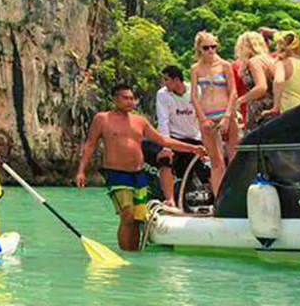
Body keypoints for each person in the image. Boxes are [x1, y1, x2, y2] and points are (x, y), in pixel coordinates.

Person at [76, 83, 205, 251]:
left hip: (139, 175)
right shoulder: (102, 119)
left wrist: (192, 148)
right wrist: (81, 171)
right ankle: (124, 254)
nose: (130, 102)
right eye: (125, 98)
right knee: (127, 215)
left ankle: (134, 254)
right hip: (116, 174)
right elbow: (90, 145)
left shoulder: (139, 121)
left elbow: (163, 140)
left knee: (138, 218)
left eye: (132, 98)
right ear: (115, 99)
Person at [190, 31, 238, 196]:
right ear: (199, 49)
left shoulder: (225, 65)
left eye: (213, 47)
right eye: (206, 48)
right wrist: (202, 118)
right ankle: (219, 198)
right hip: (207, 115)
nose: (210, 50)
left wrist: (227, 116)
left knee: (233, 157)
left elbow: (233, 92)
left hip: (225, 112)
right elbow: (194, 96)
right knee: (215, 161)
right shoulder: (196, 69)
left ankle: (236, 195)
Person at [148, 66, 202, 207]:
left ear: (177, 80)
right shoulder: (162, 94)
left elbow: (203, 115)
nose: (164, 83)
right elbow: (163, 120)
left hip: (196, 136)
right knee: (165, 160)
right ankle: (170, 199)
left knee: (205, 165)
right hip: (173, 137)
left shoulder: (196, 90)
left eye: (167, 80)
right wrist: (166, 146)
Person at [235, 31, 276, 131]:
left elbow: (261, 87)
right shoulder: (269, 60)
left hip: (261, 111)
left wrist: (241, 100)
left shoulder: (254, 62)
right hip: (273, 107)